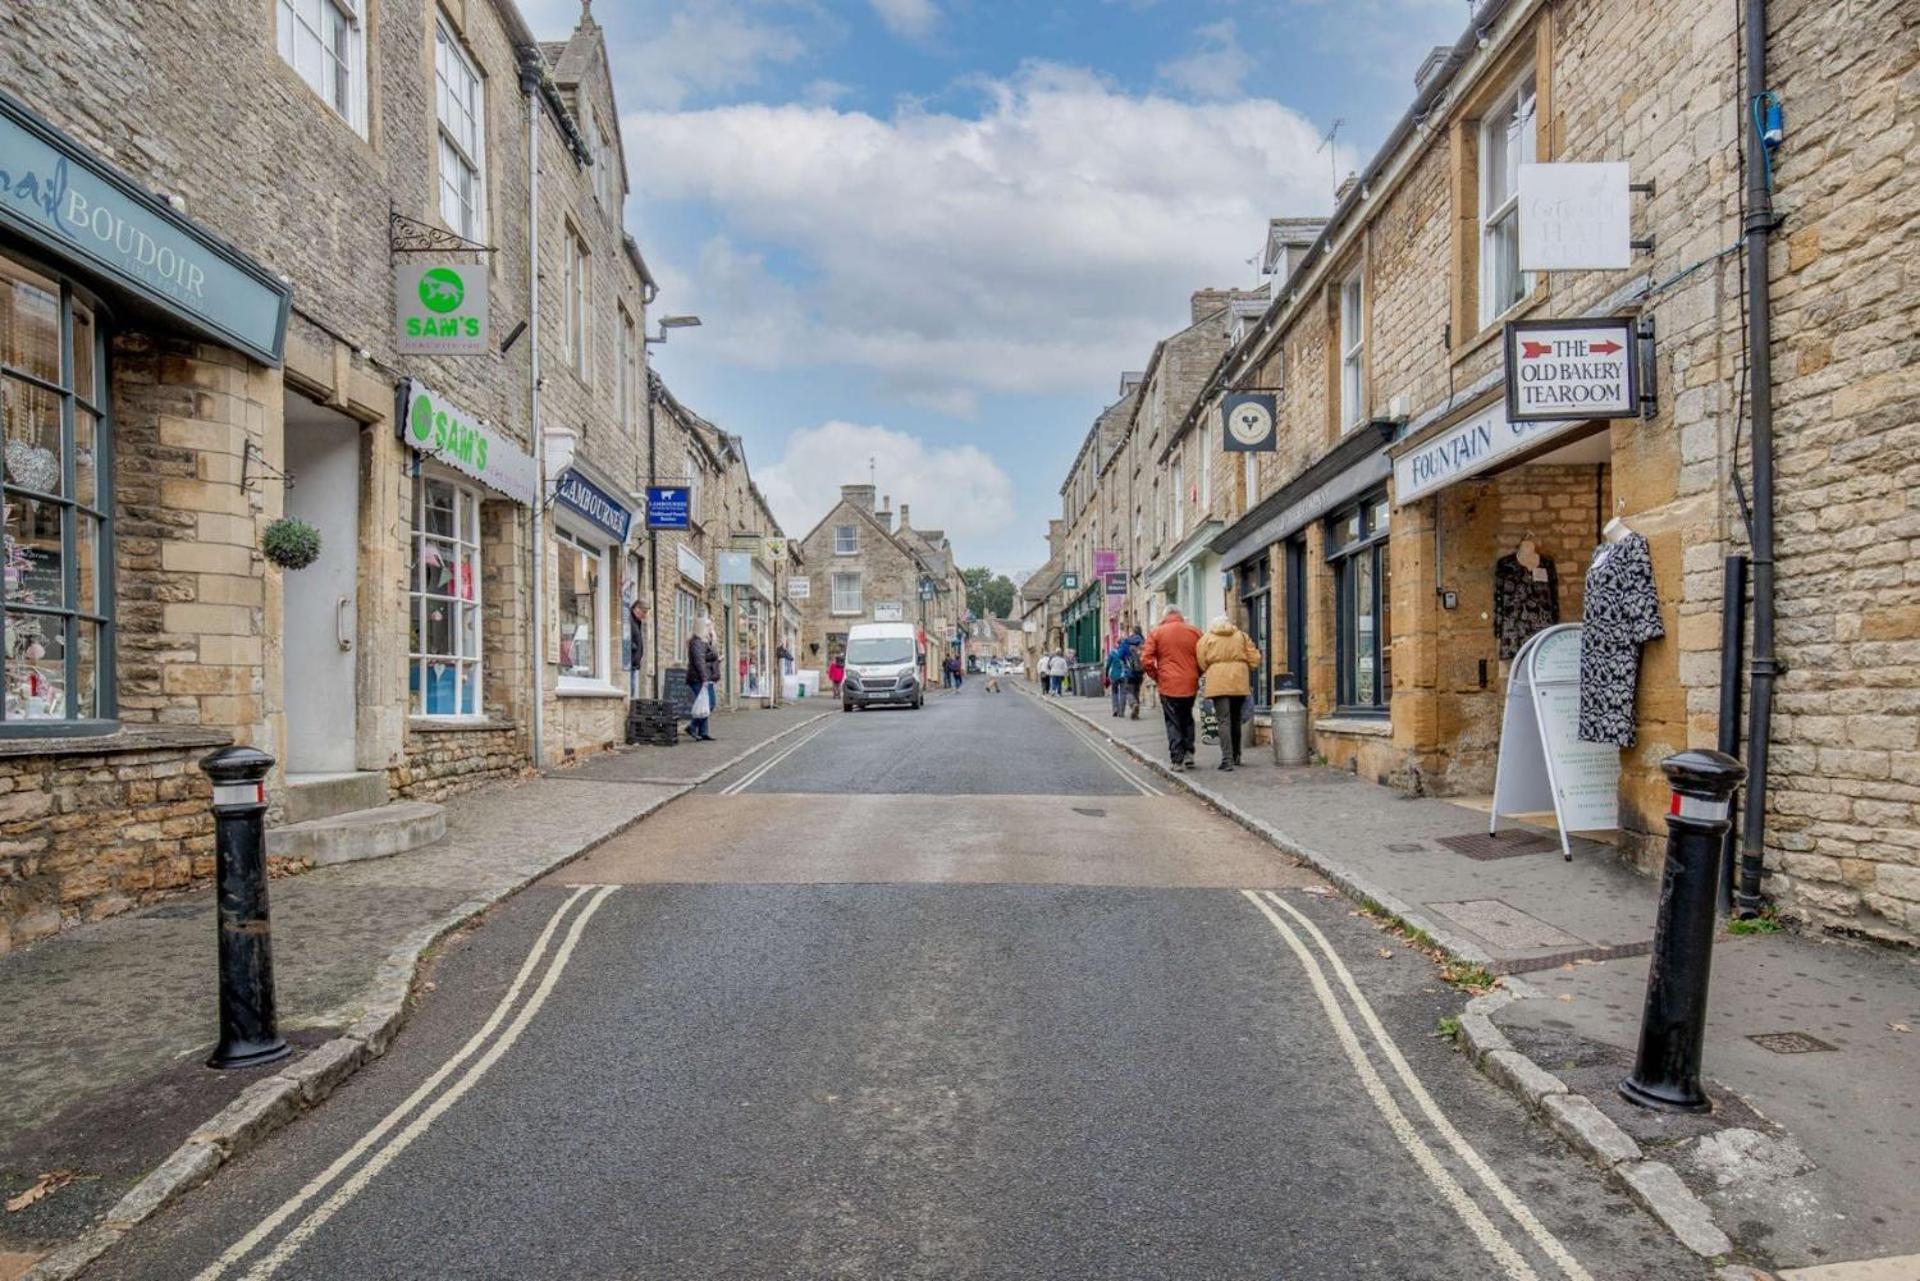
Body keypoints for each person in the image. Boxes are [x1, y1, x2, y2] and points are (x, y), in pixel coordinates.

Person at [1197, 615, 1261, 772]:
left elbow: (1201, 660)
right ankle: (1237, 755)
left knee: (1223, 720)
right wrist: (1248, 667)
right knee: (1236, 719)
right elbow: (1255, 658)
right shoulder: (1241, 636)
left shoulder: (1207, 638)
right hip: (1239, 680)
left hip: (1218, 681)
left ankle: (1227, 759)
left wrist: (1211, 669)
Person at [1141, 607, 1202, 770]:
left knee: (1173, 721)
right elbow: (1204, 657)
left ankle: (1177, 759)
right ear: (1180, 616)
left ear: (1165, 616)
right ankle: (1189, 753)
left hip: (1168, 684)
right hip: (1190, 682)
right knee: (1187, 717)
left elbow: (1146, 660)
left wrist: (1157, 676)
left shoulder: (1157, 632)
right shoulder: (1194, 632)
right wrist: (1197, 674)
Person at [686, 617, 719, 741]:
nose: (710, 629)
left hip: (705, 676)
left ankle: (703, 731)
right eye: (708, 627)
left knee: (706, 704)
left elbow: (708, 657)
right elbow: (699, 661)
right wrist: (704, 678)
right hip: (699, 678)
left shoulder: (704, 641)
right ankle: (692, 726)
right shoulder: (696, 642)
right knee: (709, 704)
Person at [1123, 625, 1146, 720]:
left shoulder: (1127, 642)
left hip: (1130, 671)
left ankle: (1133, 704)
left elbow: (1121, 655)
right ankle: (1136, 714)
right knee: (1137, 691)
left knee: (1129, 691)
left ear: (1133, 632)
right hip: (1140, 672)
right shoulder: (1144, 642)